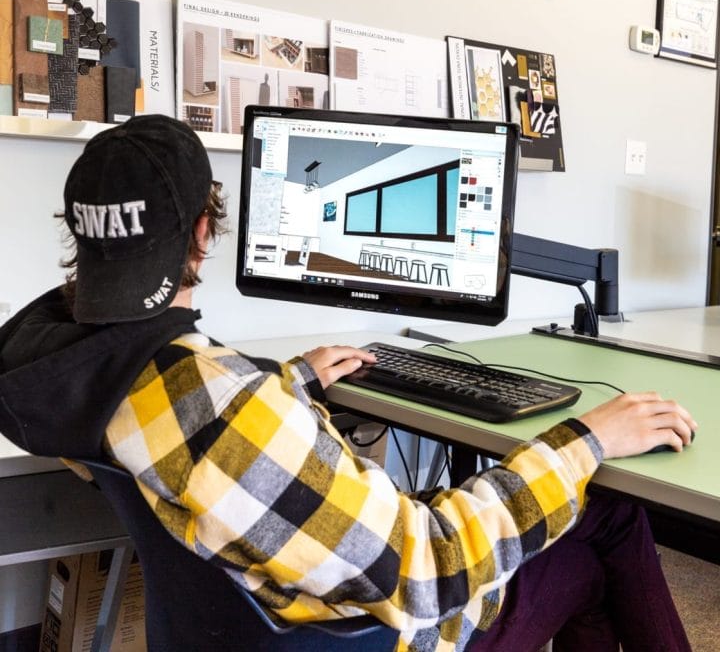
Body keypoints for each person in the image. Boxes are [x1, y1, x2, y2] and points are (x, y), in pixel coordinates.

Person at [0, 116, 695, 652]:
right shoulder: (227, 404)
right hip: (376, 633)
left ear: (83, 237)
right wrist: (584, 439)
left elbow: (207, 437)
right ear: (205, 232)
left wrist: (287, 383)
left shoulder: (75, 369)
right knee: (606, 519)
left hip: (260, 617)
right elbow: (432, 566)